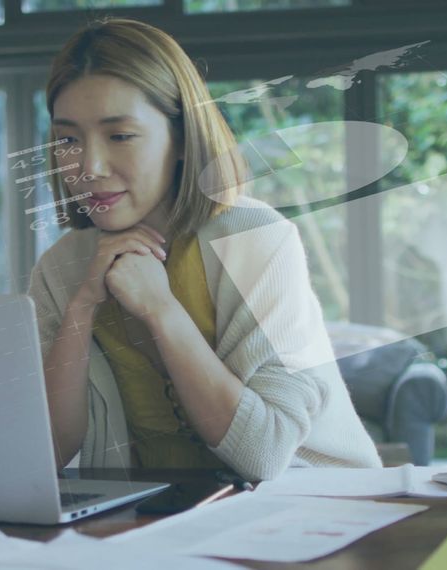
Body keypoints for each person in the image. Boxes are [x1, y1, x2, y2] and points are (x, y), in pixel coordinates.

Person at [27, 17, 381, 481]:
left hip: (315, 506)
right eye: (68, 139)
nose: (88, 166)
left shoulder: (257, 238)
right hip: (164, 520)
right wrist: (81, 307)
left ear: (181, 138)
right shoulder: (61, 268)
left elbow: (264, 453)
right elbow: (45, 453)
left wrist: (160, 309)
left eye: (120, 135)